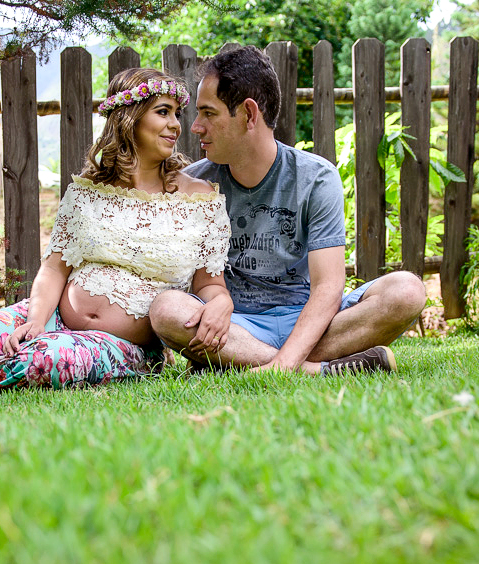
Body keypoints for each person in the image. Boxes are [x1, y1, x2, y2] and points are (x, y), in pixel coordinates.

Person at [0, 68, 231, 392]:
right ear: (129, 118)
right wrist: (35, 321)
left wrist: (222, 304)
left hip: (129, 345)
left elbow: (210, 286)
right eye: (163, 112)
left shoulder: (200, 200)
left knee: (41, 362)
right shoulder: (86, 192)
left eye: (176, 114)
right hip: (54, 318)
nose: (175, 125)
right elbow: (55, 268)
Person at [148, 46, 428, 375]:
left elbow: (328, 286)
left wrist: (281, 360)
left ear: (249, 115)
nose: (195, 127)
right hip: (235, 324)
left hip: (312, 319)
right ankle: (319, 369)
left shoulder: (315, 177)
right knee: (166, 309)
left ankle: (243, 362)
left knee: (407, 291)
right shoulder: (193, 184)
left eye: (208, 113)